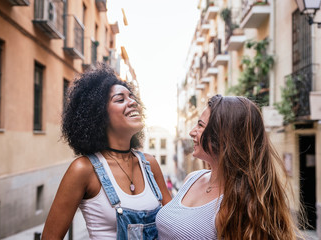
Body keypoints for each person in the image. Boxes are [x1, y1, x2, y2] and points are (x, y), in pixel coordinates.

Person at [42, 64, 171, 240]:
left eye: (132, 97)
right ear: (98, 114)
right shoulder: (83, 169)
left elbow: (173, 225)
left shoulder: (150, 164)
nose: (133, 102)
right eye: (120, 99)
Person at [156, 95, 301, 239]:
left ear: (224, 136)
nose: (192, 132)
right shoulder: (192, 178)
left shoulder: (238, 204)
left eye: (200, 125)